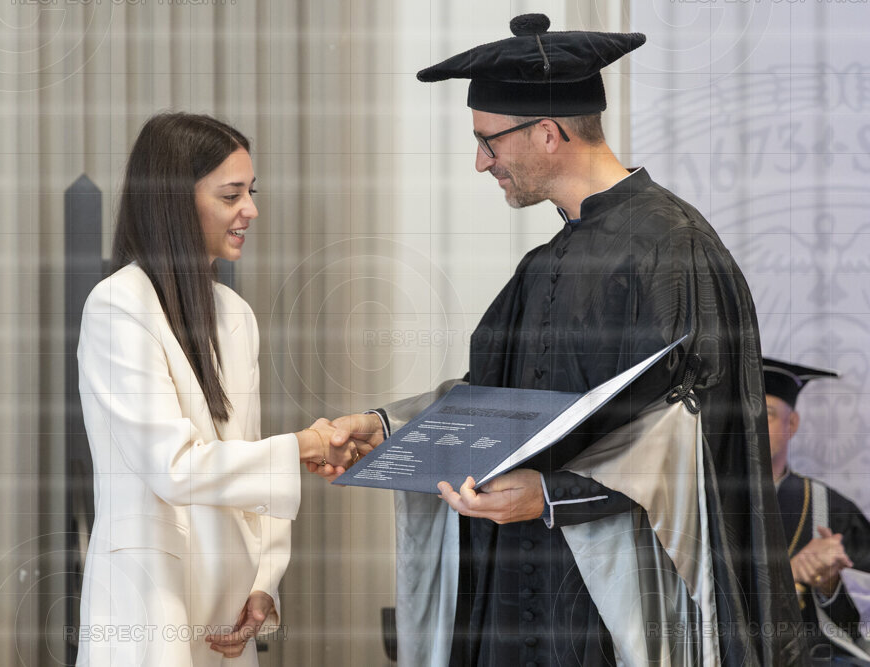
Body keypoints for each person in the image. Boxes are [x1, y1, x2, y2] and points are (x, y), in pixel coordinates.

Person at [321, 14, 806, 666]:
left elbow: (693, 433)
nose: (481, 162)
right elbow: (495, 398)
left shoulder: (674, 249)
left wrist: (554, 496)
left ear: (548, 133)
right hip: (521, 599)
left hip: (622, 606)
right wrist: (388, 428)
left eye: (488, 141)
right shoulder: (544, 263)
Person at [76, 113, 353, 666]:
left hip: (227, 601)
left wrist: (264, 580)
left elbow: (248, 459)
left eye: (251, 192)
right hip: (148, 598)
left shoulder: (234, 313)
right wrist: (304, 445)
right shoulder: (117, 305)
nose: (250, 210)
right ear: (173, 200)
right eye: (231, 196)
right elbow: (174, 466)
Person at [764, 358, 870, 664]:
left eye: (767, 414)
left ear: (792, 424)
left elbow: (856, 622)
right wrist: (789, 574)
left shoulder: (833, 510)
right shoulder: (701, 504)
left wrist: (830, 583)